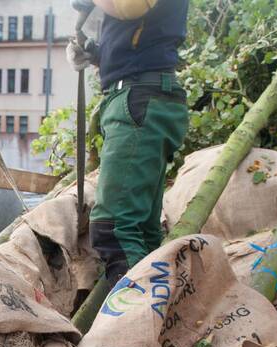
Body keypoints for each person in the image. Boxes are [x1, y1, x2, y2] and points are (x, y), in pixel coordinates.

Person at [70, 0, 190, 284]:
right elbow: (141, 38)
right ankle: (156, 317)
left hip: (139, 99)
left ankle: (135, 324)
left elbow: (131, 6)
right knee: (141, 231)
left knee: (115, 228)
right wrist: (95, 54)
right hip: (142, 97)